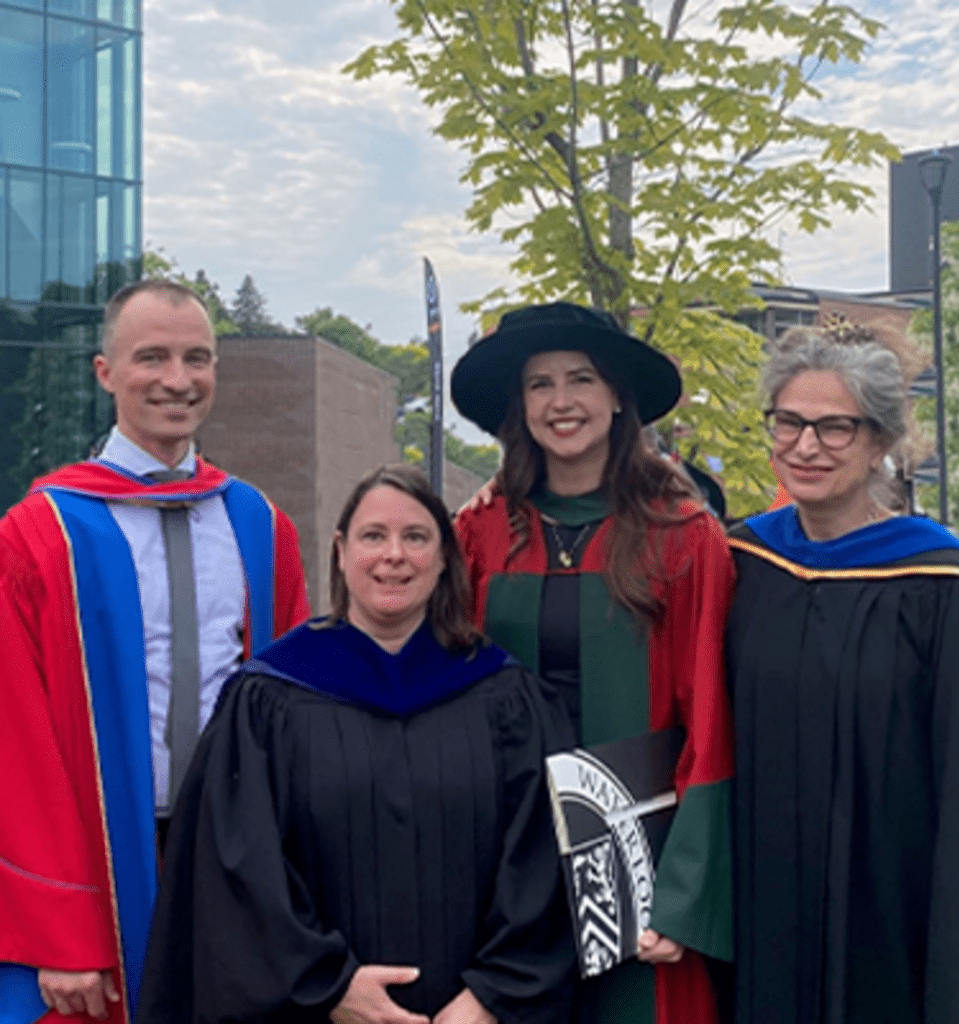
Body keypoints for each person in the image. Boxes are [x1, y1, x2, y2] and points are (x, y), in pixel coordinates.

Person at [137, 463, 576, 1024]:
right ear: (342, 552)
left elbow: (544, 860)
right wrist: (330, 988)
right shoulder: (268, 699)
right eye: (374, 536)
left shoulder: (503, 696)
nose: (393, 555)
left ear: (444, 558)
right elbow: (236, 874)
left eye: (415, 537)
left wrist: (492, 995)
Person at [0, 280, 310, 1024]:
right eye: (153, 357)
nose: (178, 379)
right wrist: (60, 924)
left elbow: (296, 718)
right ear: (105, 372)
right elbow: (15, 740)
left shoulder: (260, 525)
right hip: (98, 860)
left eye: (197, 358)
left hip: (234, 856)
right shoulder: (40, 535)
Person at [727, 326, 959, 1023]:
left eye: (835, 428)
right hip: (758, 908)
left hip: (890, 913)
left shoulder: (942, 584)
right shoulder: (742, 564)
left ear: (880, 442)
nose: (805, 446)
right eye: (790, 422)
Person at [451, 302, 736, 1024]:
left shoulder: (683, 535)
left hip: (638, 862)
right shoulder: (481, 531)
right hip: (504, 852)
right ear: (519, 405)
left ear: (617, 398)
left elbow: (709, 715)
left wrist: (685, 893)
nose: (561, 401)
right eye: (539, 384)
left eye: (581, 378)